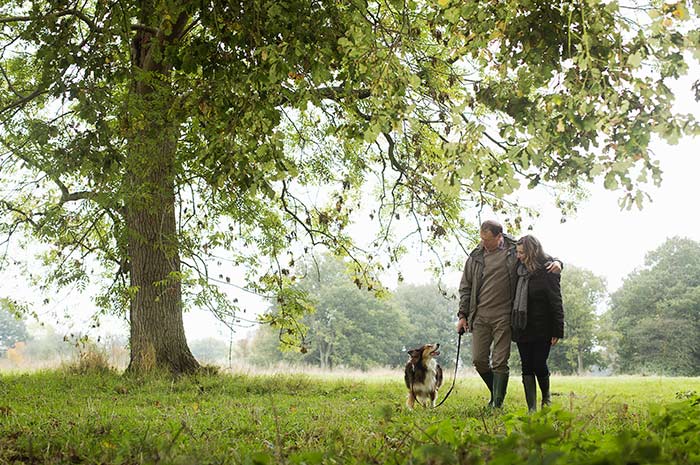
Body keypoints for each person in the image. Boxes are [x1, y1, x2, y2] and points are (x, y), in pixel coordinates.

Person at [456, 220, 561, 409]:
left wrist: (558, 262)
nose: (483, 243)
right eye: (481, 238)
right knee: (479, 360)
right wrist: (462, 314)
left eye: (487, 239)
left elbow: (537, 256)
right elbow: (465, 287)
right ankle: (494, 391)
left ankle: (497, 403)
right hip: (479, 316)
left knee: (500, 362)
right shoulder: (475, 257)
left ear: (499, 237)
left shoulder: (514, 250)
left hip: (504, 315)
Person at [512, 235, 565, 412]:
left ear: (531, 252)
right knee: (526, 365)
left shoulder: (548, 270)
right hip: (522, 325)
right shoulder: (518, 269)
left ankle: (546, 397)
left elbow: (556, 301)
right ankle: (531, 408)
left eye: (521, 253)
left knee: (539, 364)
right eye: (517, 252)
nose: (518, 256)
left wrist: (557, 330)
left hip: (543, 326)